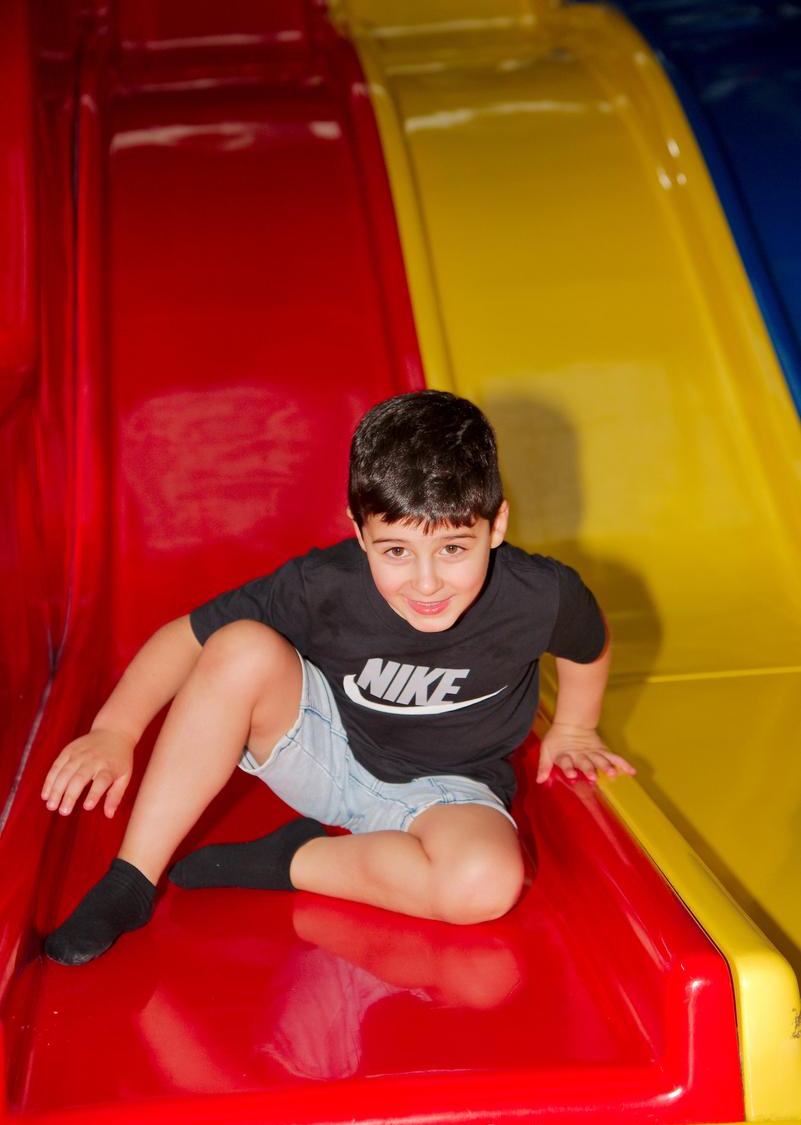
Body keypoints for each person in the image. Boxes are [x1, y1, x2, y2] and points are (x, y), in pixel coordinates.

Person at [42, 390, 634, 965]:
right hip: (326, 751)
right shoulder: (324, 583)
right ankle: (131, 879)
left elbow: (590, 640)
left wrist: (576, 728)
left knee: (485, 884)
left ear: (496, 525)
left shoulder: (540, 594)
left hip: (452, 789)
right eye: (396, 551)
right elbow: (185, 638)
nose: (426, 583)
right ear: (359, 531)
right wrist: (115, 730)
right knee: (239, 646)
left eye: (454, 548)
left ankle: (295, 860)